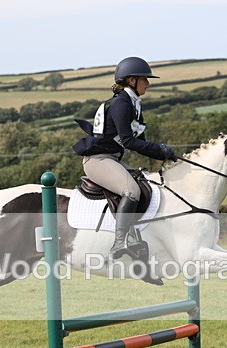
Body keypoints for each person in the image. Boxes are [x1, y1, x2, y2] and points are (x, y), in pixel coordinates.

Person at [73, 57, 178, 259]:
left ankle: (136, 236)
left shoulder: (133, 104)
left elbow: (142, 142)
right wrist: (159, 148)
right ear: (131, 80)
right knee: (131, 190)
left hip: (112, 159)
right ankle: (119, 242)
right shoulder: (121, 104)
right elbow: (129, 142)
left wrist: (164, 154)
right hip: (98, 160)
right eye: (144, 79)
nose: (148, 83)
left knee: (146, 183)